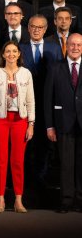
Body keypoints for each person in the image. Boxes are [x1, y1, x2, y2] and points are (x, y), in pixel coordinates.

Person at [0, 41, 35, 213]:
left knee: (17, 161)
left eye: (15, 51)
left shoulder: (26, 73)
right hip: (0, 119)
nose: (11, 54)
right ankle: (0, 200)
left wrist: (31, 124)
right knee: (0, 162)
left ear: (19, 54)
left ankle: (18, 200)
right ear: (3, 54)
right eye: (8, 51)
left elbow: (31, 100)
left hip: (20, 120)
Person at [20, 14, 62, 188]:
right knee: (26, 140)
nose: (36, 30)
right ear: (28, 28)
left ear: (45, 29)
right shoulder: (19, 48)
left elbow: (60, 75)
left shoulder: (55, 48)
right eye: (33, 26)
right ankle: (27, 178)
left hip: (48, 102)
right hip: (24, 102)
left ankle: (42, 177)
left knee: (44, 142)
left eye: (40, 27)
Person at [44, 33, 82, 213]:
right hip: (62, 123)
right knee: (66, 165)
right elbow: (47, 99)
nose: (75, 47)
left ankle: (80, 200)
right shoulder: (55, 67)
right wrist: (49, 126)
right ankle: (66, 201)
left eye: (79, 45)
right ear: (66, 45)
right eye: (72, 44)